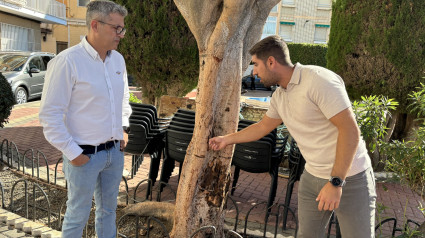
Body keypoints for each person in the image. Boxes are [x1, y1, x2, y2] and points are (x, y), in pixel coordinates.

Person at [209, 35, 376, 238]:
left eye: (256, 65)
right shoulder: (280, 95)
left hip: (350, 177)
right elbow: (263, 127)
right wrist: (227, 139)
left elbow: (350, 131)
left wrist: (335, 182)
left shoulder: (318, 80)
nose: (253, 72)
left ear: (271, 62)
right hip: (312, 177)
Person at [38, 1, 131, 237]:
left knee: (109, 211)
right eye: (117, 28)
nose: (121, 34)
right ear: (95, 25)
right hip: (84, 156)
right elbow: (50, 115)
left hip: (114, 153)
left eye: (123, 28)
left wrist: (123, 128)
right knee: (77, 214)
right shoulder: (67, 61)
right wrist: (74, 154)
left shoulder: (118, 60)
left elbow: (123, 99)